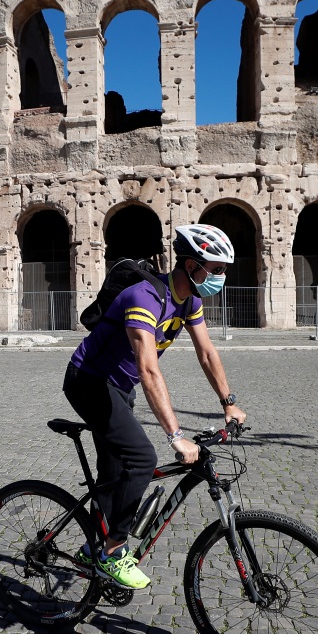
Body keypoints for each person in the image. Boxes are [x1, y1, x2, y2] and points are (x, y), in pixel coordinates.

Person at [63, 223, 247, 590]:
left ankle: (91, 547)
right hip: (89, 382)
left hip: (119, 387)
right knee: (143, 459)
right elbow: (148, 368)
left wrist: (229, 404)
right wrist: (176, 435)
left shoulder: (190, 300)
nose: (221, 277)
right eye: (217, 269)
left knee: (114, 472)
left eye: (223, 270)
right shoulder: (144, 296)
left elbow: (207, 353)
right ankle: (112, 552)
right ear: (192, 266)